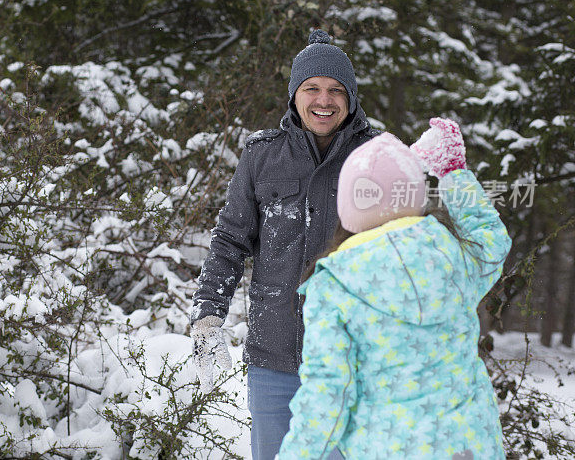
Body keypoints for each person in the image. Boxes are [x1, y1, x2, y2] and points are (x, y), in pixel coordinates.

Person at [190, 29, 379, 460]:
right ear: (294, 95)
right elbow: (230, 239)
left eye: (335, 90)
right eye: (311, 88)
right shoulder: (262, 155)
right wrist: (208, 316)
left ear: (350, 97)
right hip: (273, 359)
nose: (323, 101)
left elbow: (407, 252)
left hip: (350, 364)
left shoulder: (376, 158)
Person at [278, 119, 511, 460]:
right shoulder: (452, 257)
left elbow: (328, 393)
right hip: (469, 447)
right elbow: (491, 241)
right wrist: (453, 172)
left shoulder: (336, 285)